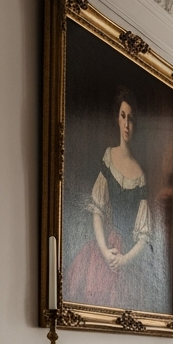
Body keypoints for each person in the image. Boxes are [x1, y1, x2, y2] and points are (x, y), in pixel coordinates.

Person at [67, 86, 156, 310]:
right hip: (104, 248)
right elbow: (97, 210)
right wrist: (106, 252)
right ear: (117, 118)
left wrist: (124, 260)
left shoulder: (141, 175)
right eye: (123, 116)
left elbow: (144, 236)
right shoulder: (109, 155)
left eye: (131, 119)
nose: (127, 125)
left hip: (126, 257)